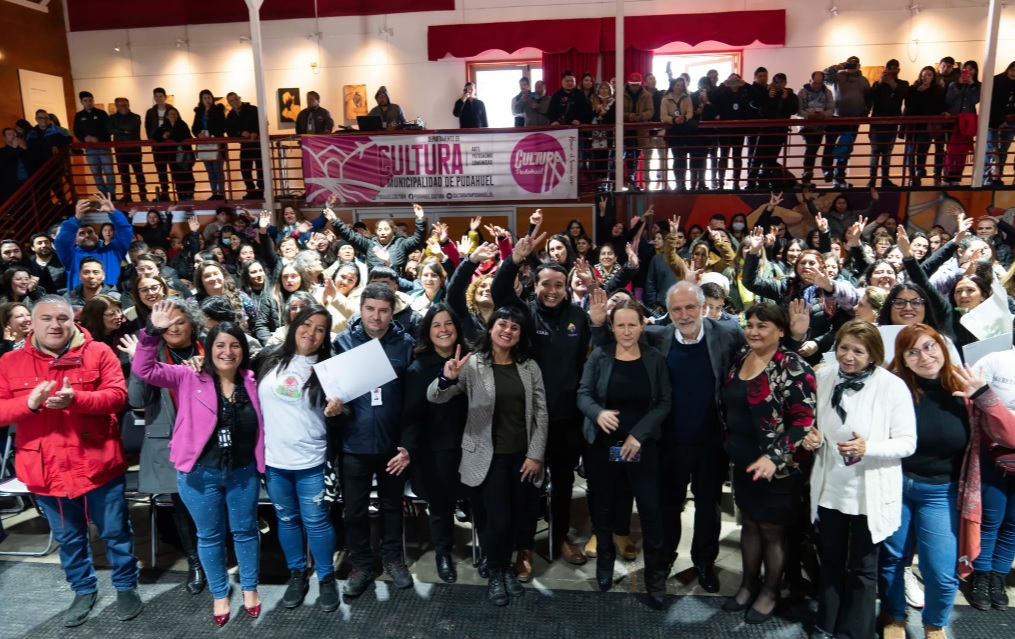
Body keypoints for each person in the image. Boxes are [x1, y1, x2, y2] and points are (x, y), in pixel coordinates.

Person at [0, 295, 141, 627]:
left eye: (62, 318)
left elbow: (117, 397)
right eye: (46, 318)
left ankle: (125, 586)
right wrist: (28, 404)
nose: (55, 325)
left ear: (73, 320)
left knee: (115, 532)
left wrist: (77, 399)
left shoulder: (98, 352)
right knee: (69, 538)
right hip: (46, 471)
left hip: (99, 465)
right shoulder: (9, 362)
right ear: (31, 324)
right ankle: (83, 590)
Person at [134, 300, 265, 627]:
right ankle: (220, 593)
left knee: (246, 531)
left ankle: (249, 587)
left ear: (243, 351)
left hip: (242, 472)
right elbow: (145, 370)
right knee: (209, 536)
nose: (228, 351)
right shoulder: (188, 375)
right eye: (220, 345)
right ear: (209, 349)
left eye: (235, 345)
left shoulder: (251, 379)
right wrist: (152, 333)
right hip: (198, 475)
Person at [880, 323, 1015, 639]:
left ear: (942, 348)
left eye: (930, 346)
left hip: (942, 492)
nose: (923, 356)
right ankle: (895, 617)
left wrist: (983, 395)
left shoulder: (965, 391)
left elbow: (1010, 435)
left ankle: (934, 624)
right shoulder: (894, 388)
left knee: (941, 574)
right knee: (890, 561)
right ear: (903, 358)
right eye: (912, 351)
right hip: (894, 486)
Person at [427, 306, 548, 606]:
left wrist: (535, 455)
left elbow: (542, 415)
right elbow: (436, 396)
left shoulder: (529, 367)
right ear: (491, 328)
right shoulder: (473, 364)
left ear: (520, 334)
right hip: (486, 457)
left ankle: (504, 567)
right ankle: (496, 572)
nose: (507, 330)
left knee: (517, 517)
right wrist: (445, 378)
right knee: (498, 520)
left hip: (522, 457)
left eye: (514, 327)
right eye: (502, 324)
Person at [492, 232, 594, 573]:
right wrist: (513, 261)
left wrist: (595, 291)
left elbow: (587, 361)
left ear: (567, 287)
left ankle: (561, 536)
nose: (552, 291)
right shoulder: (524, 314)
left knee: (564, 484)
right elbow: (499, 293)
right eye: (546, 284)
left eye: (559, 285)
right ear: (534, 286)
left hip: (566, 420)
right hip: (528, 421)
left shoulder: (578, 318)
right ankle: (523, 547)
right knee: (527, 487)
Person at [808, 320, 917, 639]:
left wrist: (869, 447)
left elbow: (907, 442)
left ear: (873, 354)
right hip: (830, 488)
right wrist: (811, 437)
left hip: (868, 492)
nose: (848, 356)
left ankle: (855, 631)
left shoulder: (891, 385)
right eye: (843, 347)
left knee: (863, 568)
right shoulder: (824, 375)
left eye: (858, 351)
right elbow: (814, 424)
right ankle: (825, 624)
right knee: (830, 560)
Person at [720, 302, 816, 625]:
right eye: (749, 325)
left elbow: (803, 420)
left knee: (772, 532)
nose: (753, 331)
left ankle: (771, 591)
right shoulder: (739, 360)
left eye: (762, 326)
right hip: (744, 463)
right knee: (749, 524)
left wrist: (775, 457)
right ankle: (748, 584)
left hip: (779, 467)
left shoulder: (793, 365)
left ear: (780, 331)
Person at [577, 297, 670, 607]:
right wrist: (597, 413)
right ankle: (604, 565)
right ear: (612, 327)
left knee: (651, 512)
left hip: (640, 448)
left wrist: (638, 435)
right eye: (621, 325)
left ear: (642, 325)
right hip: (605, 448)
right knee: (602, 509)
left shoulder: (655, 358)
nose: (627, 331)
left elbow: (664, 403)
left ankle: (656, 580)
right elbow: (584, 394)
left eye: (633, 324)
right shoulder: (599, 356)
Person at [332, 283, 416, 596]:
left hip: (392, 445)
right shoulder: (343, 342)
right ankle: (362, 564)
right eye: (370, 309)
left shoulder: (405, 344)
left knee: (392, 505)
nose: (376, 317)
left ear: (392, 312)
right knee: (353, 510)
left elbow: (412, 400)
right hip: (354, 443)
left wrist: (407, 443)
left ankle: (394, 559)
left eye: (383, 310)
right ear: (361, 308)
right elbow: (333, 392)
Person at [257, 304, 340, 612]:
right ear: (294, 325)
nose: (313, 333)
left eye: (321, 329)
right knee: (286, 519)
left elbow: (346, 415)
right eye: (308, 324)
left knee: (316, 521)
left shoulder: (330, 368)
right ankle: (297, 574)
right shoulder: (267, 359)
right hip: (274, 462)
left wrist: (338, 412)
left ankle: (327, 578)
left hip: (312, 461)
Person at [122, 297, 205, 596]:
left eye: (180, 321)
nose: (173, 327)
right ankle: (195, 561)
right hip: (170, 441)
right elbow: (136, 400)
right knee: (182, 506)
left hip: (210, 440)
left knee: (214, 501)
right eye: (166, 323)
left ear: (192, 324)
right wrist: (137, 362)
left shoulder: (208, 348)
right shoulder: (150, 353)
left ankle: (214, 555)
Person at [402, 303, 471, 583]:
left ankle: (489, 550)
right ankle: (443, 552)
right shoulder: (418, 369)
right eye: (436, 325)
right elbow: (411, 416)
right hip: (435, 449)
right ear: (427, 332)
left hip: (472, 444)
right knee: (441, 504)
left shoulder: (473, 360)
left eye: (448, 324)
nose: (443, 330)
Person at [966, 348, 1015, 611]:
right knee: (991, 518)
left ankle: (999, 576)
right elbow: (971, 392)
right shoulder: (996, 360)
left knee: (1013, 523)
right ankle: (981, 575)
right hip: (993, 452)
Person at [323, 199, 427, 272]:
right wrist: (334, 220)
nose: (382, 232)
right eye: (380, 229)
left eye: (386, 229)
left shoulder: (401, 244)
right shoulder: (369, 244)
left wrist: (420, 219)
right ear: (376, 232)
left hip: (397, 287)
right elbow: (351, 236)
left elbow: (418, 239)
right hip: (374, 287)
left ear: (392, 231)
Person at [822, 56, 872, 188]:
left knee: (844, 149)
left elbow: (869, 99)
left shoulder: (864, 81)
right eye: (849, 64)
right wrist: (838, 67)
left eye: (854, 64)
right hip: (836, 117)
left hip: (853, 120)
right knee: (830, 145)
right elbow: (824, 76)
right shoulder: (837, 77)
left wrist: (865, 113)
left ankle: (839, 178)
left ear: (859, 66)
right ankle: (827, 169)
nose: (852, 66)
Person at [868, 59, 909, 188]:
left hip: (892, 124)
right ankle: (872, 180)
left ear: (898, 70)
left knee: (887, 153)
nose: (891, 71)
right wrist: (880, 83)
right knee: (875, 152)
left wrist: (893, 85)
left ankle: (885, 179)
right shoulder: (877, 84)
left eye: (894, 68)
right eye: (889, 68)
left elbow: (905, 96)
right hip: (876, 124)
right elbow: (870, 98)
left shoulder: (902, 84)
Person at [74, 91, 115, 198]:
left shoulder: (102, 114)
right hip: (90, 149)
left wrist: (99, 139)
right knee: (96, 173)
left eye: (90, 100)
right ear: (81, 102)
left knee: (109, 171)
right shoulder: (79, 116)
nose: (88, 103)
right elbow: (76, 130)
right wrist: (84, 138)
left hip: (103, 147)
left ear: (93, 101)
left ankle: (112, 194)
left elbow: (108, 129)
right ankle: (103, 194)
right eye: (85, 101)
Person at [107, 97, 147, 202]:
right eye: (120, 105)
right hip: (120, 150)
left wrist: (119, 131)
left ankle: (143, 195)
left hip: (135, 150)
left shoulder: (136, 117)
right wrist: (124, 132)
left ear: (129, 105)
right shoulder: (112, 118)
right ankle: (127, 196)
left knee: (139, 174)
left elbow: (130, 127)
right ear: (116, 106)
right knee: (124, 175)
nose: (123, 107)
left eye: (125, 104)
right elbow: (110, 130)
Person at [798, 71, 835, 183]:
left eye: (819, 83)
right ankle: (807, 172)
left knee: (817, 147)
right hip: (805, 125)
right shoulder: (802, 92)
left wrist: (823, 115)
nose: (817, 86)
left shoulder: (827, 93)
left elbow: (831, 109)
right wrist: (809, 115)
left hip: (820, 125)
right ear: (810, 81)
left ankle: (824, 170)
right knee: (811, 146)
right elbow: (798, 111)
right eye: (815, 83)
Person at [225, 92, 264, 199]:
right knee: (245, 169)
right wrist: (240, 133)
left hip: (258, 144)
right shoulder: (231, 115)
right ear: (229, 103)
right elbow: (230, 131)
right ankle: (251, 191)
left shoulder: (252, 109)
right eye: (231, 100)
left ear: (240, 98)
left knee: (260, 168)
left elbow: (262, 122)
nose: (235, 102)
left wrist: (255, 132)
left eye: (236, 99)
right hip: (245, 145)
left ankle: (260, 192)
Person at [192, 89, 228, 200]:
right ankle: (214, 193)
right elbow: (194, 127)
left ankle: (221, 194)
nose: (207, 100)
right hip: (204, 146)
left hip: (216, 144)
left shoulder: (218, 110)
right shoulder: (199, 112)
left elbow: (222, 126)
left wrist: (210, 133)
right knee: (210, 170)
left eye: (209, 97)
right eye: (205, 98)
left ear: (212, 98)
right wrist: (199, 134)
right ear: (201, 100)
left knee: (218, 170)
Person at [985, 61, 1015, 186]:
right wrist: (1000, 120)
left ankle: (997, 176)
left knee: (1003, 150)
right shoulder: (997, 81)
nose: (1014, 73)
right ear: (1008, 69)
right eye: (1012, 70)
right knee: (992, 150)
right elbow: (992, 103)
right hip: (994, 121)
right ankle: (988, 177)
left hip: (1011, 121)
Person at [156, 107, 195, 200]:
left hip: (185, 155)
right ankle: (181, 194)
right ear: (167, 116)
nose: (173, 116)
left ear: (178, 115)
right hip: (172, 156)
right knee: (176, 176)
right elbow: (156, 136)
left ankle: (189, 193)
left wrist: (169, 135)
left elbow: (181, 137)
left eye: (175, 114)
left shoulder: (182, 124)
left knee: (187, 174)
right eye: (170, 114)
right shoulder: (165, 126)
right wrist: (163, 136)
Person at [144, 88, 175, 201]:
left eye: (160, 96)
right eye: (156, 96)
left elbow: (177, 124)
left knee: (174, 169)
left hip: (171, 145)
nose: (158, 98)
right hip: (157, 145)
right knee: (161, 171)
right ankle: (165, 192)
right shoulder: (150, 112)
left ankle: (178, 192)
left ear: (165, 97)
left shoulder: (172, 109)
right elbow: (148, 127)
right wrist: (153, 140)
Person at [0, 126, 29, 205]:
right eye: (9, 134)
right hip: (11, 185)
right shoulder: (2, 151)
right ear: (4, 138)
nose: (12, 136)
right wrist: (13, 148)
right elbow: (4, 161)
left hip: (27, 182)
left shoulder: (21, 149)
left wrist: (25, 148)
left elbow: (30, 160)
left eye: (13, 134)